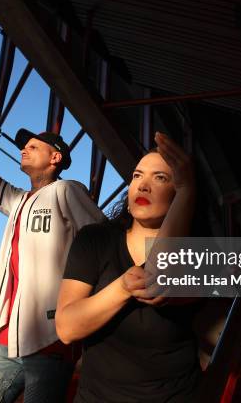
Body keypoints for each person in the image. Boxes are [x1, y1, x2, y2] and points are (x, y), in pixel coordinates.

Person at [0, 70, 105, 403]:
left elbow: (104, 240)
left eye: (33, 147)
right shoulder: (18, 200)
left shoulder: (67, 191)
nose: (23, 151)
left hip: (51, 342)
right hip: (7, 340)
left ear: (55, 158)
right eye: (23, 147)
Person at [55, 132, 201, 402]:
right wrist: (122, 288)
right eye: (137, 176)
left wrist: (188, 189)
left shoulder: (198, 251)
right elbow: (66, 329)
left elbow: (159, 276)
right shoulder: (95, 239)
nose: (143, 186)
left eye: (161, 178)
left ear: (179, 194)